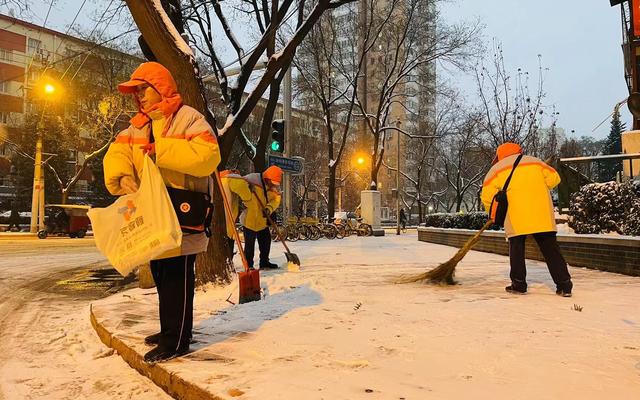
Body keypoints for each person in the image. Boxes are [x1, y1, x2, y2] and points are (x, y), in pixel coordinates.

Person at [103, 62, 221, 363]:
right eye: (137, 91)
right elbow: (117, 153)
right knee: (162, 274)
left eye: (145, 89)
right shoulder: (137, 126)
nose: (140, 96)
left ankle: (176, 340)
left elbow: (209, 157)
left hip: (182, 214)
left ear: (161, 88)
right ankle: (173, 330)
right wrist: (122, 176)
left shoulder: (189, 119)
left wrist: (163, 150)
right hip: (153, 215)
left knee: (176, 278)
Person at [480, 143, 573, 297]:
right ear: (519, 151)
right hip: (541, 215)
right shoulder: (536, 162)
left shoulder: (496, 169)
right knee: (551, 251)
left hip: (516, 216)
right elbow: (554, 179)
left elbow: (487, 197)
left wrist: (493, 213)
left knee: (516, 250)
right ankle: (564, 285)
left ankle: (519, 284)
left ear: (500, 155)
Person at [240, 166, 282, 270]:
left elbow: (276, 199)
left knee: (266, 242)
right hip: (249, 219)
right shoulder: (251, 179)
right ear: (266, 177)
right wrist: (246, 187)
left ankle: (264, 262)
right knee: (249, 245)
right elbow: (238, 186)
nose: (272, 185)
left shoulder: (274, 187)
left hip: (262, 220)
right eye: (271, 182)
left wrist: (269, 208)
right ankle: (248, 265)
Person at [220, 169, 252, 254]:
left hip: (214, 219)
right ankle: (228, 259)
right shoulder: (233, 178)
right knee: (228, 238)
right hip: (228, 216)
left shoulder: (219, 178)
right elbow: (247, 196)